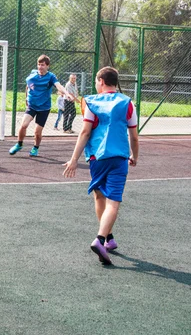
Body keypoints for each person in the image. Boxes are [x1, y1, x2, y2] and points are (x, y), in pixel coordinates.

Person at [62, 66, 139, 265]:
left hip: (97, 158)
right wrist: (134, 155)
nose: (96, 84)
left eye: (97, 81)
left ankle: (108, 239)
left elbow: (85, 132)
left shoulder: (91, 103)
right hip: (119, 157)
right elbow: (134, 137)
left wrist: (73, 160)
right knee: (113, 201)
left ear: (101, 81)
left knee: (99, 195)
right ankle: (102, 238)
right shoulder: (128, 103)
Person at [9, 55, 74, 156]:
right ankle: (19, 144)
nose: (40, 67)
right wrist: (27, 98)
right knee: (23, 125)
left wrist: (67, 93)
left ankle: (35, 148)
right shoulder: (33, 74)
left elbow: (58, 86)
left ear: (47, 66)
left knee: (37, 132)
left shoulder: (51, 77)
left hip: (44, 108)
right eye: (39, 64)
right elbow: (28, 86)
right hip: (32, 106)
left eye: (42, 65)